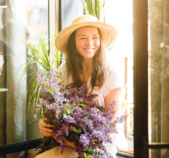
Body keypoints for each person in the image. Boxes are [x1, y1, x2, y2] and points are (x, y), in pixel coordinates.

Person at [36, 15, 125, 158]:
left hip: (99, 149)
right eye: (82, 37)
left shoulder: (111, 75)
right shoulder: (64, 70)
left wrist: (62, 137)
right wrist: (45, 124)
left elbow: (107, 130)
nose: (90, 43)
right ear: (74, 42)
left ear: (101, 40)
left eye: (95, 37)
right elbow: (55, 109)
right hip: (68, 144)